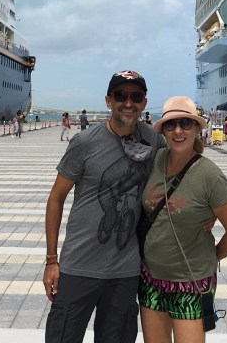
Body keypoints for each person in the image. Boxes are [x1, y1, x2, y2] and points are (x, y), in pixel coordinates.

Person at [43, 70, 162, 343]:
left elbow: (183, 162)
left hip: (125, 272)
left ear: (144, 102)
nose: (128, 103)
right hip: (78, 267)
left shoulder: (154, 141)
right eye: (120, 95)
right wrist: (51, 261)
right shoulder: (84, 142)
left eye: (136, 97)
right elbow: (56, 198)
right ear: (109, 100)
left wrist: (204, 212)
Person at [139, 97, 227, 343]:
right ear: (163, 130)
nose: (178, 131)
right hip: (150, 277)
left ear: (197, 128)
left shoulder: (209, 175)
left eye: (185, 123)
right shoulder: (155, 160)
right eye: (170, 124)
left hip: (191, 282)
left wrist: (211, 258)